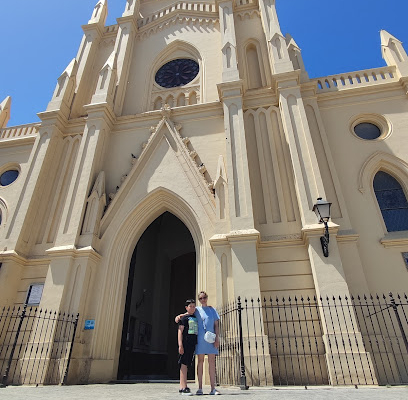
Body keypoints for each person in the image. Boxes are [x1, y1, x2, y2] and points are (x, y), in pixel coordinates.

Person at [176, 291, 220, 395]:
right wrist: (178, 316)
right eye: (200, 298)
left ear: (207, 298)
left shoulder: (212, 310)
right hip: (200, 340)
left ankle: (213, 388)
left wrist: (217, 338)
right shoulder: (197, 310)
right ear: (199, 300)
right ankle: (200, 388)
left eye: (204, 297)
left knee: (212, 363)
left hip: (211, 339)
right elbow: (187, 314)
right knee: (200, 362)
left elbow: (216, 325)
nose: (203, 299)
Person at [178, 299, 198, 396]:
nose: (193, 308)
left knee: (187, 363)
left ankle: (184, 386)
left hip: (192, 343)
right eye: (191, 306)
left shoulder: (195, 317)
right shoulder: (184, 318)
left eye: (194, 306)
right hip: (185, 343)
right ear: (186, 308)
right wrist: (180, 345)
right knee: (183, 364)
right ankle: (182, 387)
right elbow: (180, 331)